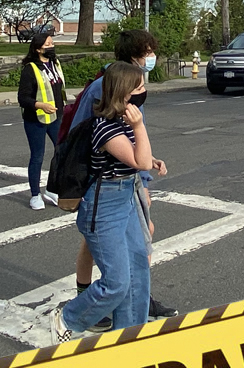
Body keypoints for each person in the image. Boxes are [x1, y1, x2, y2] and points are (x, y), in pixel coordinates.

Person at [68, 29, 177, 329]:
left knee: (138, 255)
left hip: (125, 183)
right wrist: (142, 172)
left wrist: (146, 165)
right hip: (106, 188)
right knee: (113, 269)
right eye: (147, 52)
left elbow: (135, 147)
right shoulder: (105, 96)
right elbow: (83, 134)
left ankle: (130, 325)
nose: (152, 57)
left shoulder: (128, 96)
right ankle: (81, 307)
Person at [52, 62, 154, 341]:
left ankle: (130, 335)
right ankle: (68, 317)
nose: (144, 92)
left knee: (137, 271)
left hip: (125, 198)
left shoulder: (122, 122)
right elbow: (140, 161)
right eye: (139, 87)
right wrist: (139, 126)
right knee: (117, 282)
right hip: (104, 205)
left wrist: (151, 158)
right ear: (123, 92)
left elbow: (139, 157)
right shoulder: (107, 127)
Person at [17, 30, 65, 210]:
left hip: (56, 117)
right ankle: (35, 194)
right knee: (37, 156)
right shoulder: (30, 69)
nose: (51, 47)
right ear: (38, 49)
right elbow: (23, 98)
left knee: (63, 151)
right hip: (36, 119)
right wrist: (40, 105)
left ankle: (53, 190)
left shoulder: (55, 64)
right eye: (47, 44)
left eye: (52, 43)